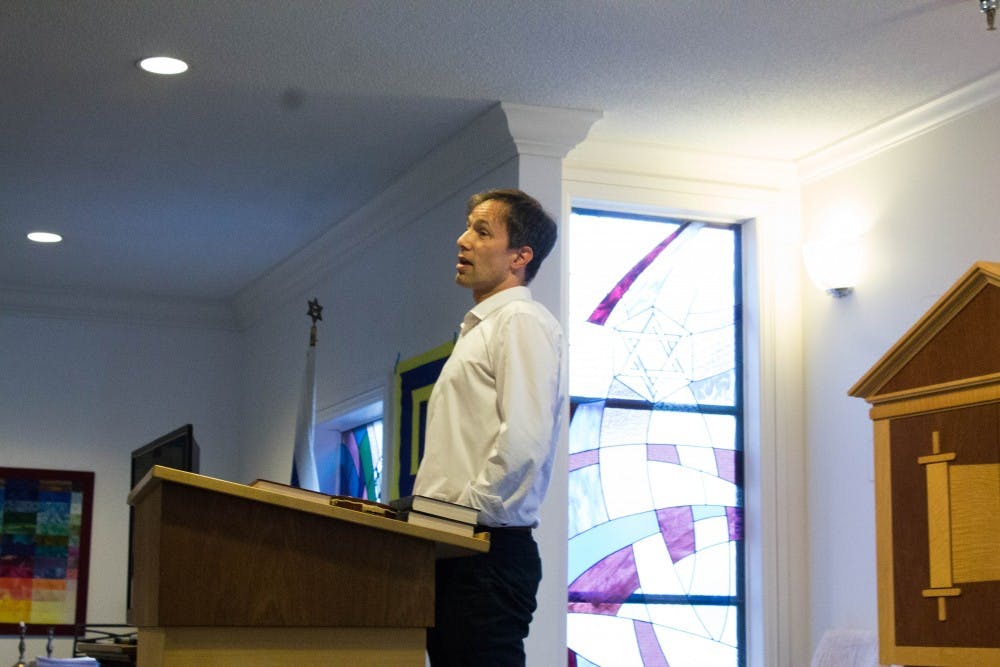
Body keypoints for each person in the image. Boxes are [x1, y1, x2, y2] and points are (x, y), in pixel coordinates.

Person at [413, 188, 566, 666]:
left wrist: (463, 517)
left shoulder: (520, 320)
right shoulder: (480, 328)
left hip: (482, 548)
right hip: (455, 547)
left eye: (482, 232)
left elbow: (524, 441)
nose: (462, 241)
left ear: (521, 256)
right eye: (467, 228)